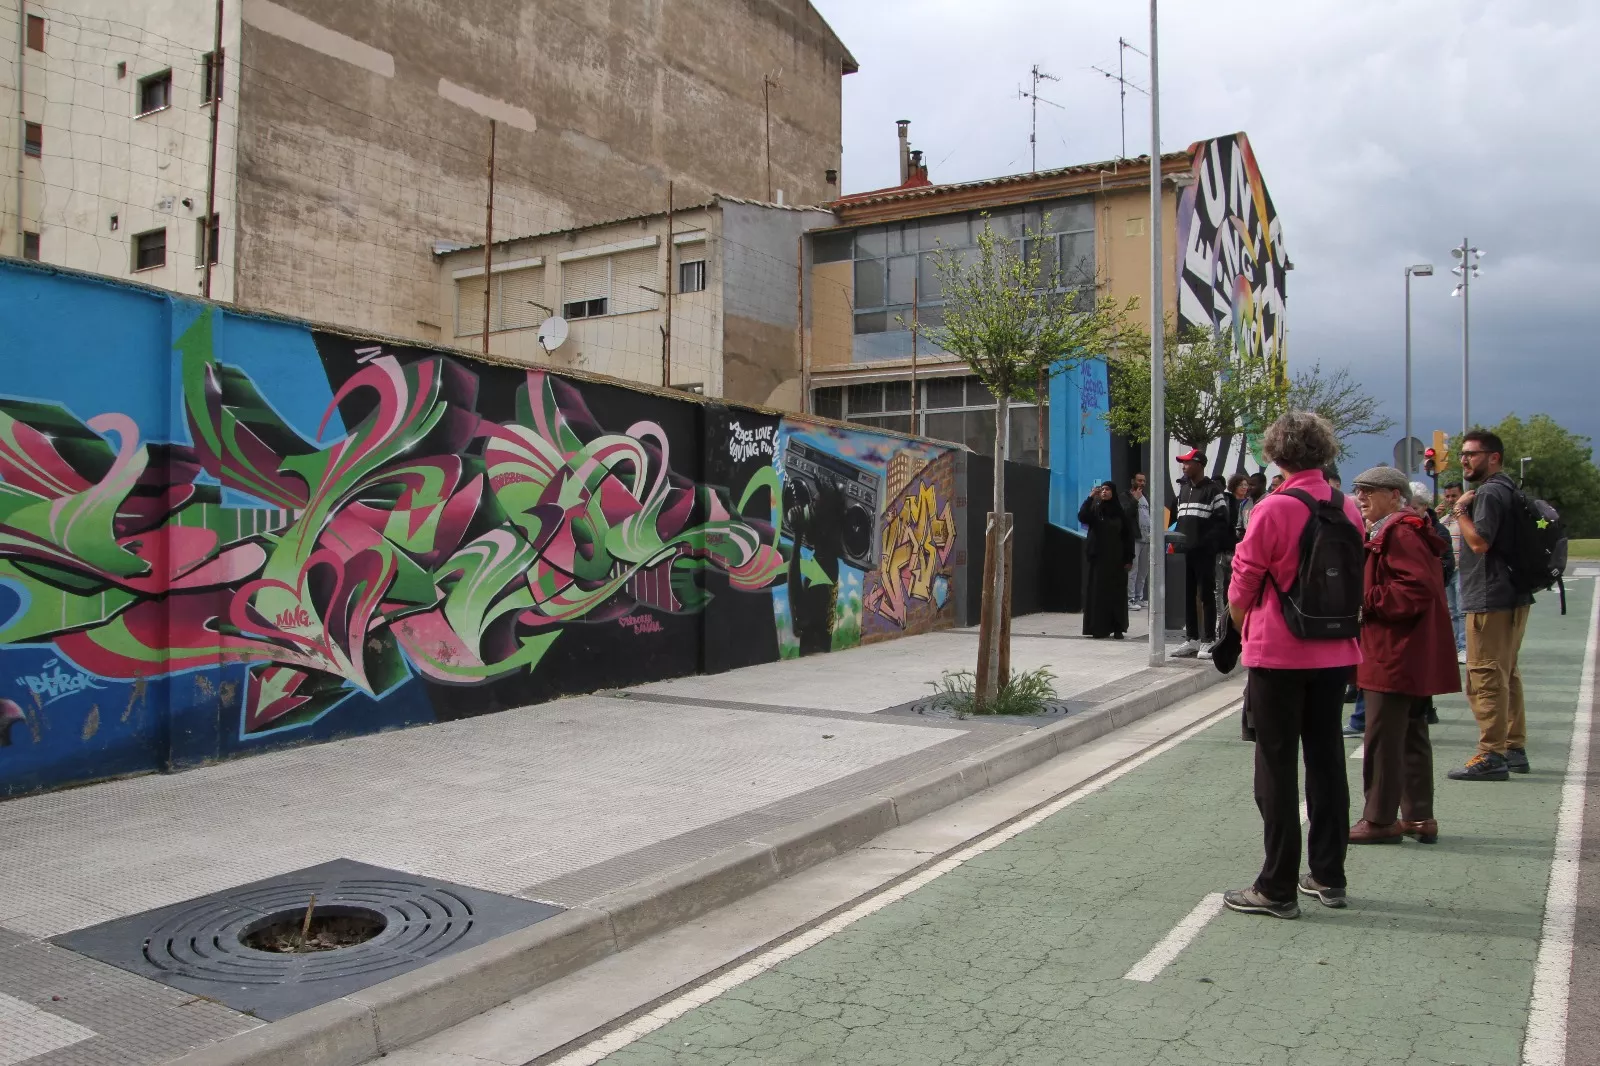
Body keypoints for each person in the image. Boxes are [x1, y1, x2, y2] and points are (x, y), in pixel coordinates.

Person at [1222, 411, 1364, 919]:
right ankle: (1329, 874)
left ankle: (1276, 885)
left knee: (1276, 766)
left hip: (1279, 650)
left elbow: (1243, 582)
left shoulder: (1273, 507)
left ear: (1276, 454)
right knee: (1326, 760)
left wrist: (1237, 626)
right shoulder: (1348, 507)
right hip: (1337, 650)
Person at [1347, 467, 1461, 844]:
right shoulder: (1407, 529)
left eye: (1370, 491)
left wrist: (1365, 601)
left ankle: (1380, 820)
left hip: (1394, 648)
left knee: (1382, 737)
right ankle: (1418, 816)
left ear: (1394, 495)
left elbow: (1412, 590)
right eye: (1359, 491)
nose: (1361, 498)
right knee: (1412, 732)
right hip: (1407, 648)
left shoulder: (1399, 531)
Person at [1449, 430, 1535, 781]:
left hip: (1489, 595)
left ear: (1494, 457)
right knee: (1506, 673)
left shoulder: (1488, 494)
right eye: (1462, 455)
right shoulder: (1509, 488)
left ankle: (1491, 754)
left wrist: (1459, 511)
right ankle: (1513, 747)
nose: (1465, 460)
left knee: (1483, 676)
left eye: (1472, 454)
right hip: (1513, 593)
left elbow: (1479, 542)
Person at [1170, 448, 1231, 659]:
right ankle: (1192, 639)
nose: (1184, 466)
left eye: (1187, 463)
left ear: (1199, 464)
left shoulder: (1213, 491)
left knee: (1205, 594)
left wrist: (1206, 543)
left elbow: (1222, 522)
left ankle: (1208, 640)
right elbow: (1180, 521)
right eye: (1183, 463)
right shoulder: (1183, 490)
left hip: (1204, 552)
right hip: (1184, 552)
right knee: (1188, 596)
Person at [1079, 481, 1135, 639]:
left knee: (1116, 594)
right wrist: (1090, 498)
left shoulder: (1120, 513)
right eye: (1102, 489)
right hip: (1098, 560)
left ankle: (1118, 627)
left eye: (1107, 489)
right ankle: (1098, 628)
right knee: (1098, 594)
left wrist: (1128, 558)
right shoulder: (1095, 510)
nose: (1104, 492)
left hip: (1116, 561)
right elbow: (1082, 516)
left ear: (1113, 492)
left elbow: (1127, 537)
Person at [1439, 482, 1468, 664]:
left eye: (1454, 496)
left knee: (1462, 609)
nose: (1450, 500)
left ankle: (1464, 646)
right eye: (1447, 496)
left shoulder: (1465, 517)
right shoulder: (1445, 520)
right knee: (1451, 611)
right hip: (1450, 570)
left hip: (1463, 569)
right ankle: (1455, 646)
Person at [1217, 474, 1251, 623]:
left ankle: (1232, 614)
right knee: (1220, 585)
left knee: (1233, 584)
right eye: (1241, 485)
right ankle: (1222, 616)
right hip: (1224, 547)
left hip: (1238, 549)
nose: (1244, 487)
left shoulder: (1249, 504)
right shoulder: (1227, 501)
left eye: (1246, 485)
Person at [1128, 473, 1151, 610]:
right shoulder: (1127, 496)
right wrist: (1134, 500)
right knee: (1133, 570)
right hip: (1135, 538)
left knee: (1143, 571)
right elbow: (1126, 513)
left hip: (1147, 539)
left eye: (1144, 481)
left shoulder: (1146, 497)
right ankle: (1130, 599)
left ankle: (1139, 597)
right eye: (1139, 480)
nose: (1142, 483)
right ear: (1133, 481)